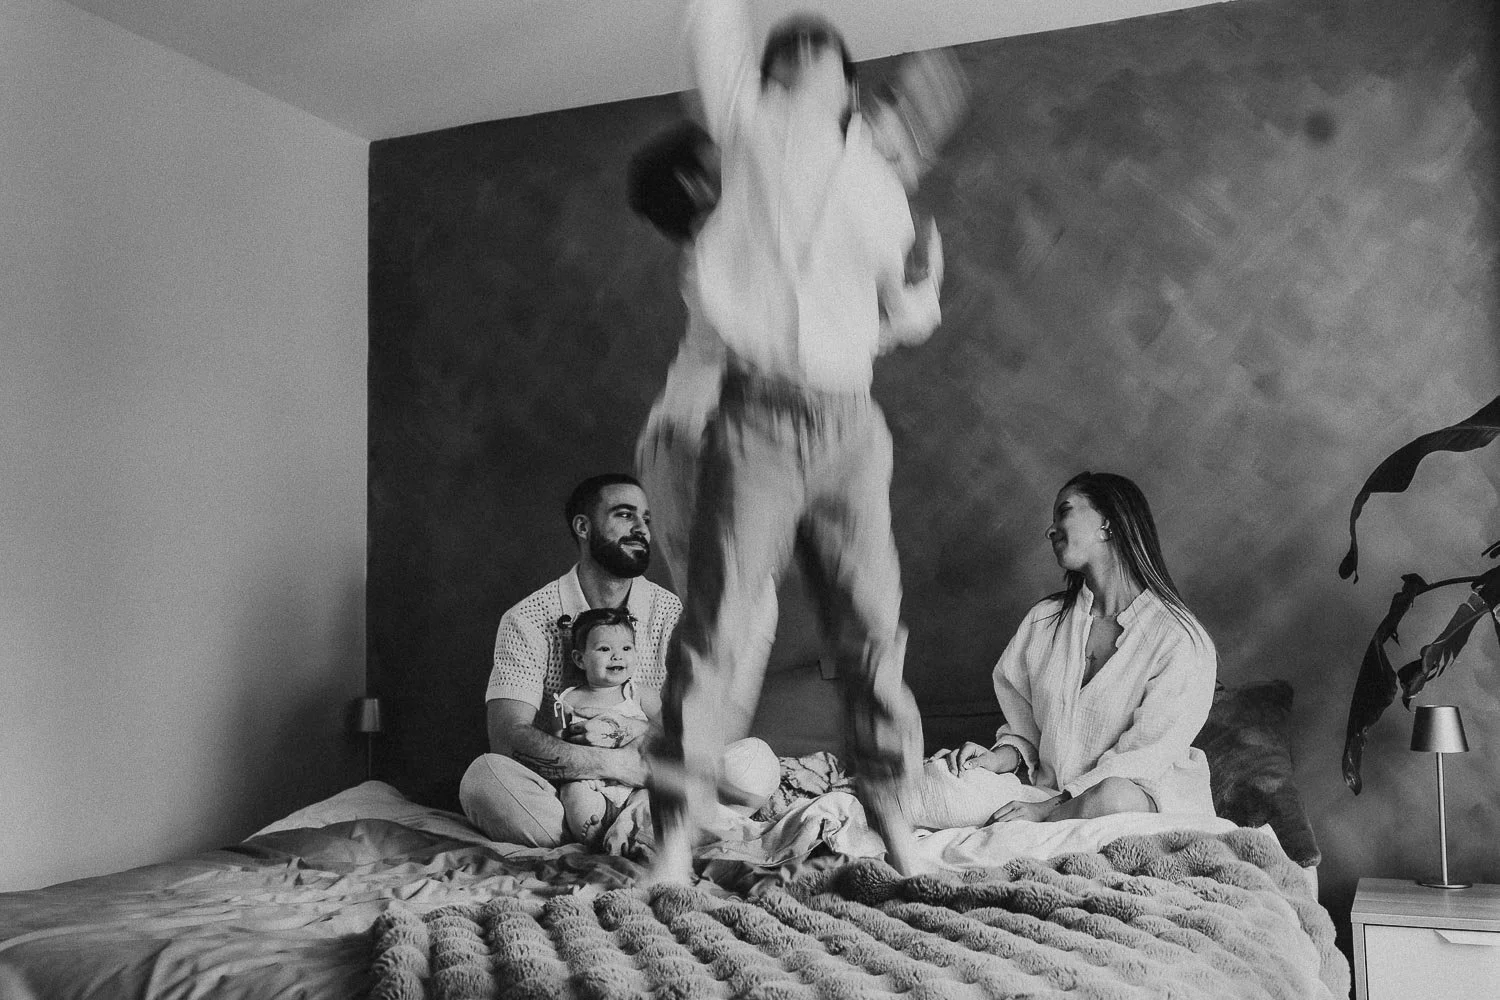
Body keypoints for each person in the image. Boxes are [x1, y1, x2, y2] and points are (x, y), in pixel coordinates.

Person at [647, 0, 947, 884]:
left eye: (824, 66)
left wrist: (921, 293)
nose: (807, 76)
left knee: (872, 631)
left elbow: (903, 314)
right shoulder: (748, 130)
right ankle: (670, 841)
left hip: (852, 425)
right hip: (761, 420)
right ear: (771, 80)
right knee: (719, 624)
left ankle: (897, 824)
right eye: (792, 64)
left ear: (847, 90)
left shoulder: (876, 182)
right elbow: (710, 23)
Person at [931, 471, 1218, 823]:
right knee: (942, 777)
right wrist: (999, 758)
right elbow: (1026, 733)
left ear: (1108, 525)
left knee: (1110, 797)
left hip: (1138, 803)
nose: (1050, 530)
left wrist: (1049, 809)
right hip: (1043, 798)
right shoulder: (1043, 621)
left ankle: (1038, 832)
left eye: (1064, 512)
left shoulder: (1179, 638)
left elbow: (1145, 756)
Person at [458, 473, 681, 846]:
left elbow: (686, 721)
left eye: (646, 519)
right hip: (562, 792)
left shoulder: (668, 609)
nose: (641, 528)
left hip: (653, 780)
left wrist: (641, 746)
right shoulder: (527, 619)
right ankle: (621, 830)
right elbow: (506, 737)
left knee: (755, 761)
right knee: (483, 777)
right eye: (625, 515)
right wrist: (615, 765)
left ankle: (630, 824)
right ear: (583, 526)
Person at [548, 607, 783, 848]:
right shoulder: (566, 700)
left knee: (656, 794)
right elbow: (557, 747)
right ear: (580, 659)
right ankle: (602, 835)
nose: (617, 656)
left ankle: (631, 828)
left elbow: (671, 733)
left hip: (640, 783)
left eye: (626, 648)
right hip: (592, 784)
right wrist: (578, 769)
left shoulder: (637, 695)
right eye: (604, 649)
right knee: (573, 794)